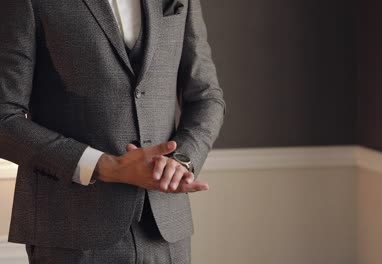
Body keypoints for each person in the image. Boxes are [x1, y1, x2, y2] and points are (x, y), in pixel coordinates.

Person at [0, 0, 225, 262]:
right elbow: (5, 119)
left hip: (164, 233)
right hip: (70, 231)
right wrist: (103, 166)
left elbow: (207, 97)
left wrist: (182, 159)